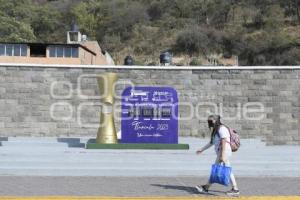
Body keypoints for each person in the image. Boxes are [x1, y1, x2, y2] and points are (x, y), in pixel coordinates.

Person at [195, 115, 239, 196]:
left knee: (216, 170)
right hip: (222, 152)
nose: (209, 122)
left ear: (215, 120)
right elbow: (212, 142)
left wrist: (222, 155)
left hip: (224, 151)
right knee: (227, 169)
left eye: (210, 121)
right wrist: (202, 149)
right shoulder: (216, 129)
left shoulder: (222, 128)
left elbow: (224, 141)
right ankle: (235, 189)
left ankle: (206, 187)